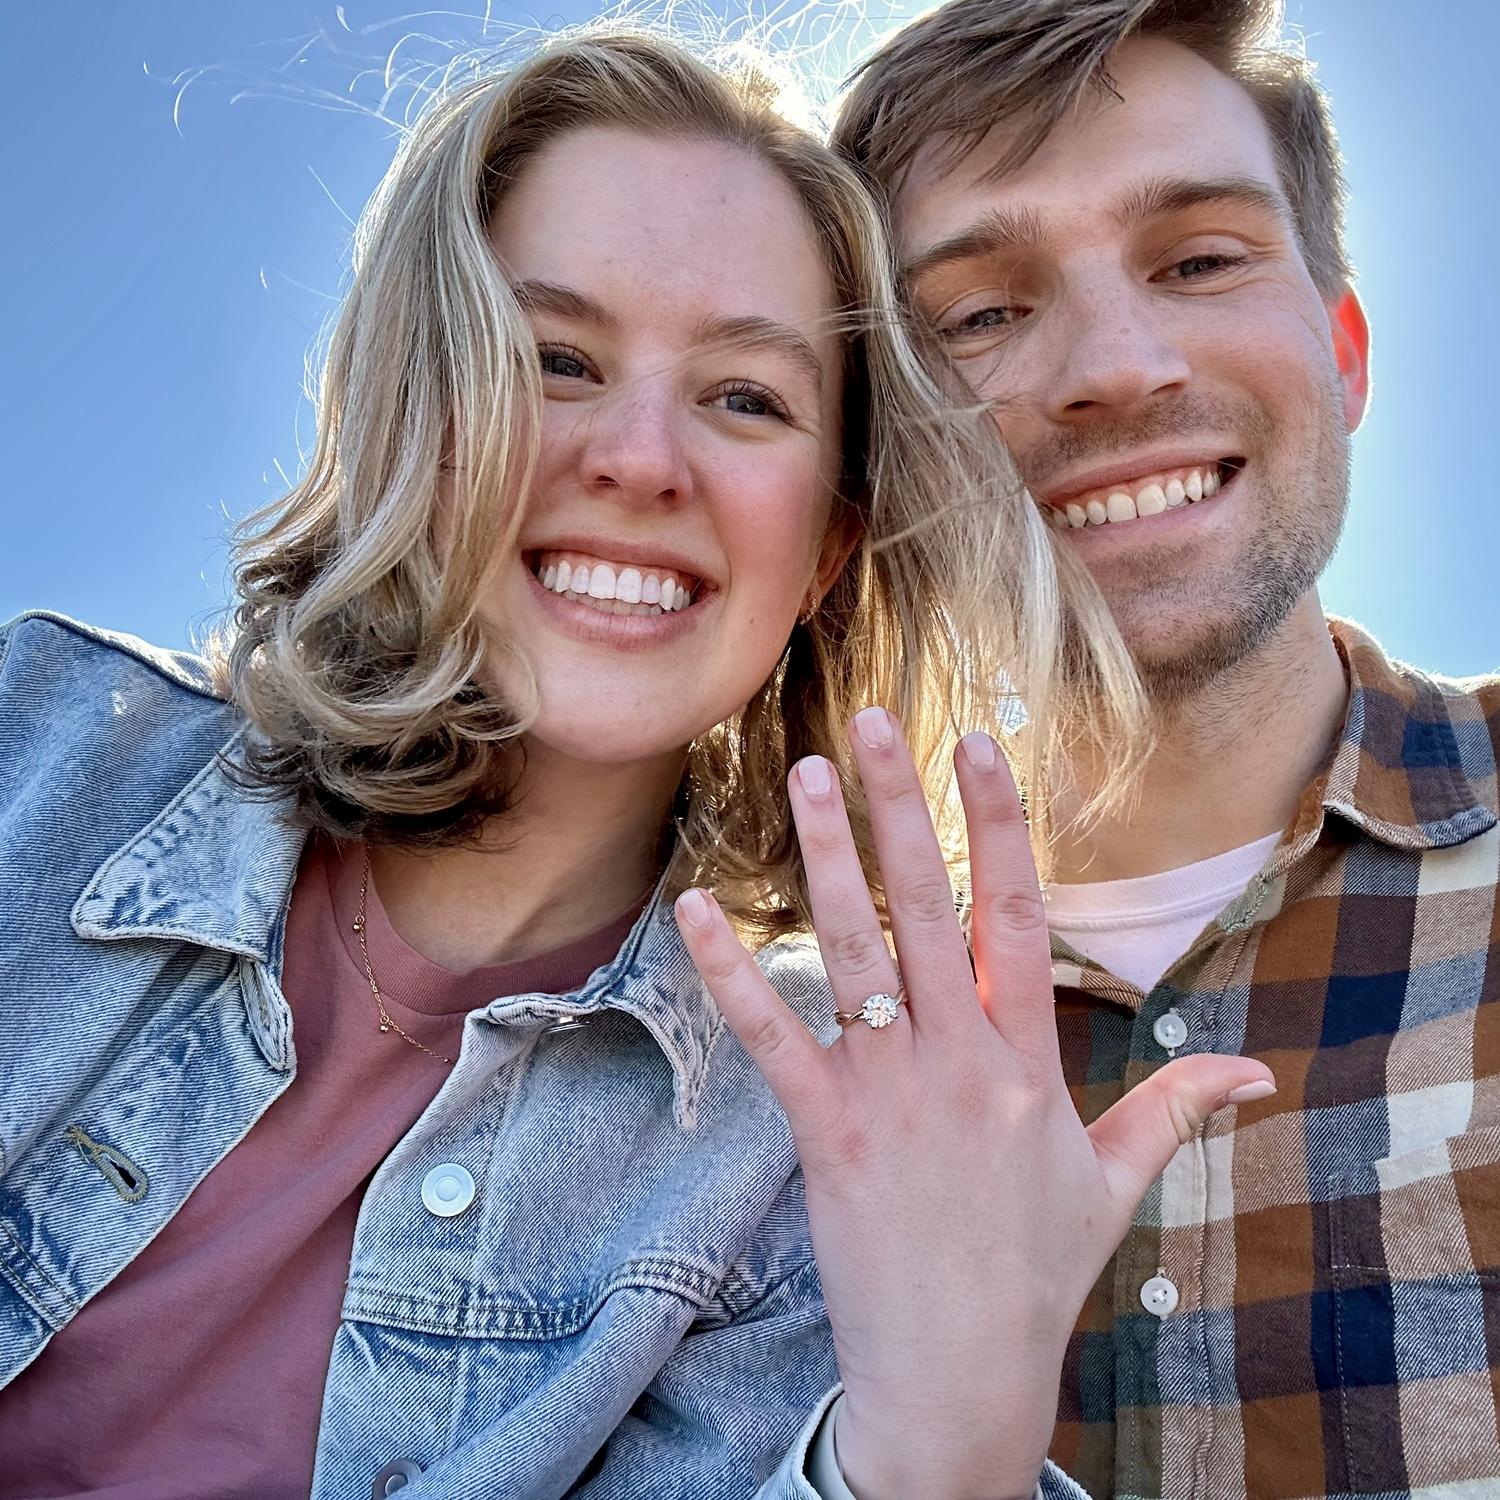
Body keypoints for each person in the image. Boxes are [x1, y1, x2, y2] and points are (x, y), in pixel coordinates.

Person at [0, 23, 1264, 1500]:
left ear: (824, 550)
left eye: (747, 398)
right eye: (555, 358)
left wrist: (941, 1448)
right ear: (419, 408)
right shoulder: (41, 754)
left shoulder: (802, 1137)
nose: (644, 459)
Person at [762, 0, 1499, 1496]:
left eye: (1201, 260)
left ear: (1343, 353)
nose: (1116, 364)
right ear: (885, 447)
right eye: (980, 311)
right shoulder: (778, 1037)